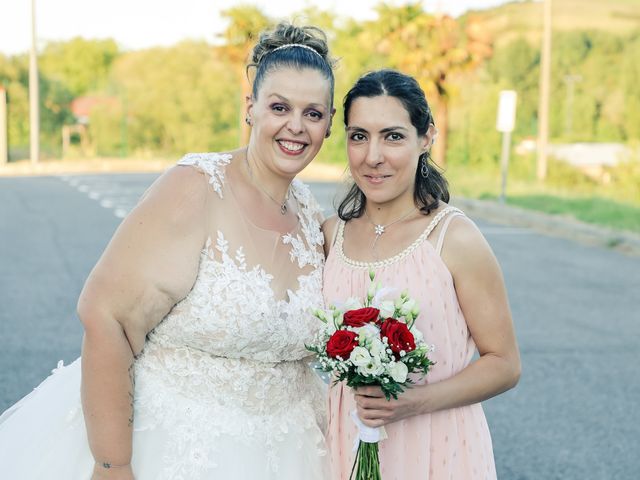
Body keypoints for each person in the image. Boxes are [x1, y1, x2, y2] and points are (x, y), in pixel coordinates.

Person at [0, 22, 335, 480]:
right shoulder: (195, 188)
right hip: (176, 450)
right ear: (250, 108)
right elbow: (105, 315)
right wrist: (112, 464)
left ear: (330, 124)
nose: (295, 126)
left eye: (312, 113)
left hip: (292, 454)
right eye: (280, 107)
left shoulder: (310, 216)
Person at [322, 69, 521, 479]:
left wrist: (414, 401)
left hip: (437, 445)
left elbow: (504, 363)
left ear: (425, 137)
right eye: (358, 136)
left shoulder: (454, 238)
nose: (372, 156)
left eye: (393, 136)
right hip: (343, 442)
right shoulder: (329, 236)